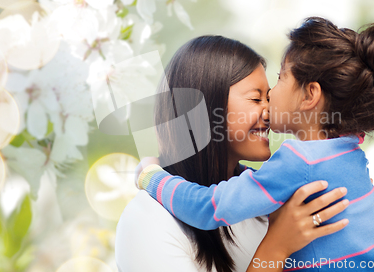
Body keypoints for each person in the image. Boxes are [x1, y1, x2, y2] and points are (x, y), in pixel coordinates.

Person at [136, 17, 374, 271]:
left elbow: (209, 207)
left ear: (310, 95)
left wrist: (151, 177)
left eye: (279, 80)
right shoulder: (350, 152)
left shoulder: (298, 160)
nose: (268, 107)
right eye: (257, 99)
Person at [115, 35, 353, 272]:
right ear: (204, 108)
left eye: (269, 98)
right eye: (256, 98)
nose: (270, 112)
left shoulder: (269, 205)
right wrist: (277, 246)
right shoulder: (147, 219)